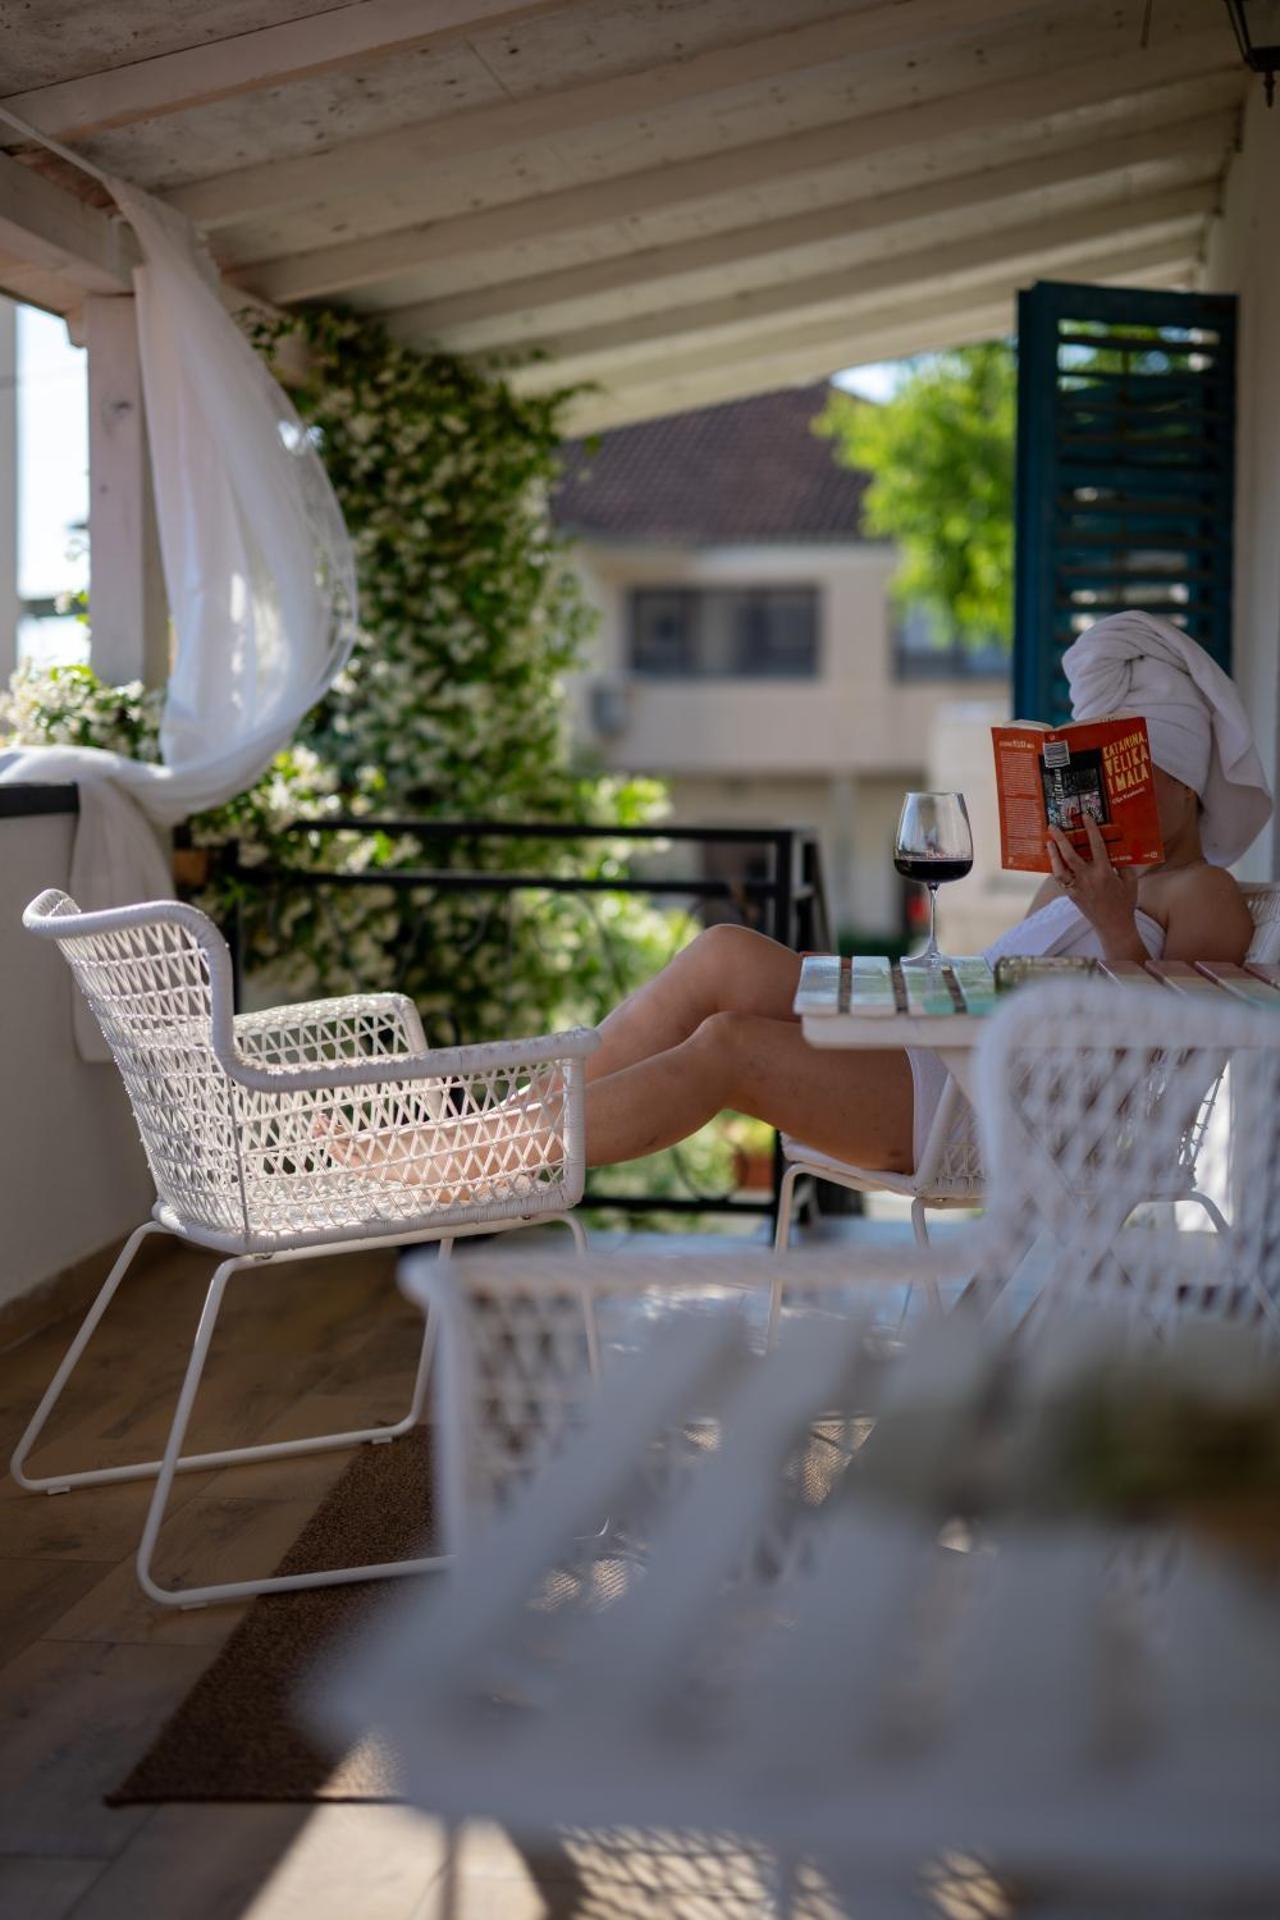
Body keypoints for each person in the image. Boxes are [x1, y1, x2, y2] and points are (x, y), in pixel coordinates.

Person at [330, 613, 1272, 1191]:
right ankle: (493, 1125)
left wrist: (1111, 921)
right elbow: (1015, 976)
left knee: (729, 1049)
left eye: (1138, 782)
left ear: (1184, 787)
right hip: (942, 1048)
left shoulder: (1209, 897)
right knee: (726, 955)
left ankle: (472, 1159)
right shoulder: (1095, 872)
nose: (1121, 804)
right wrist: (1075, 894)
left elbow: (1154, 1035)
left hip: (990, 1112)